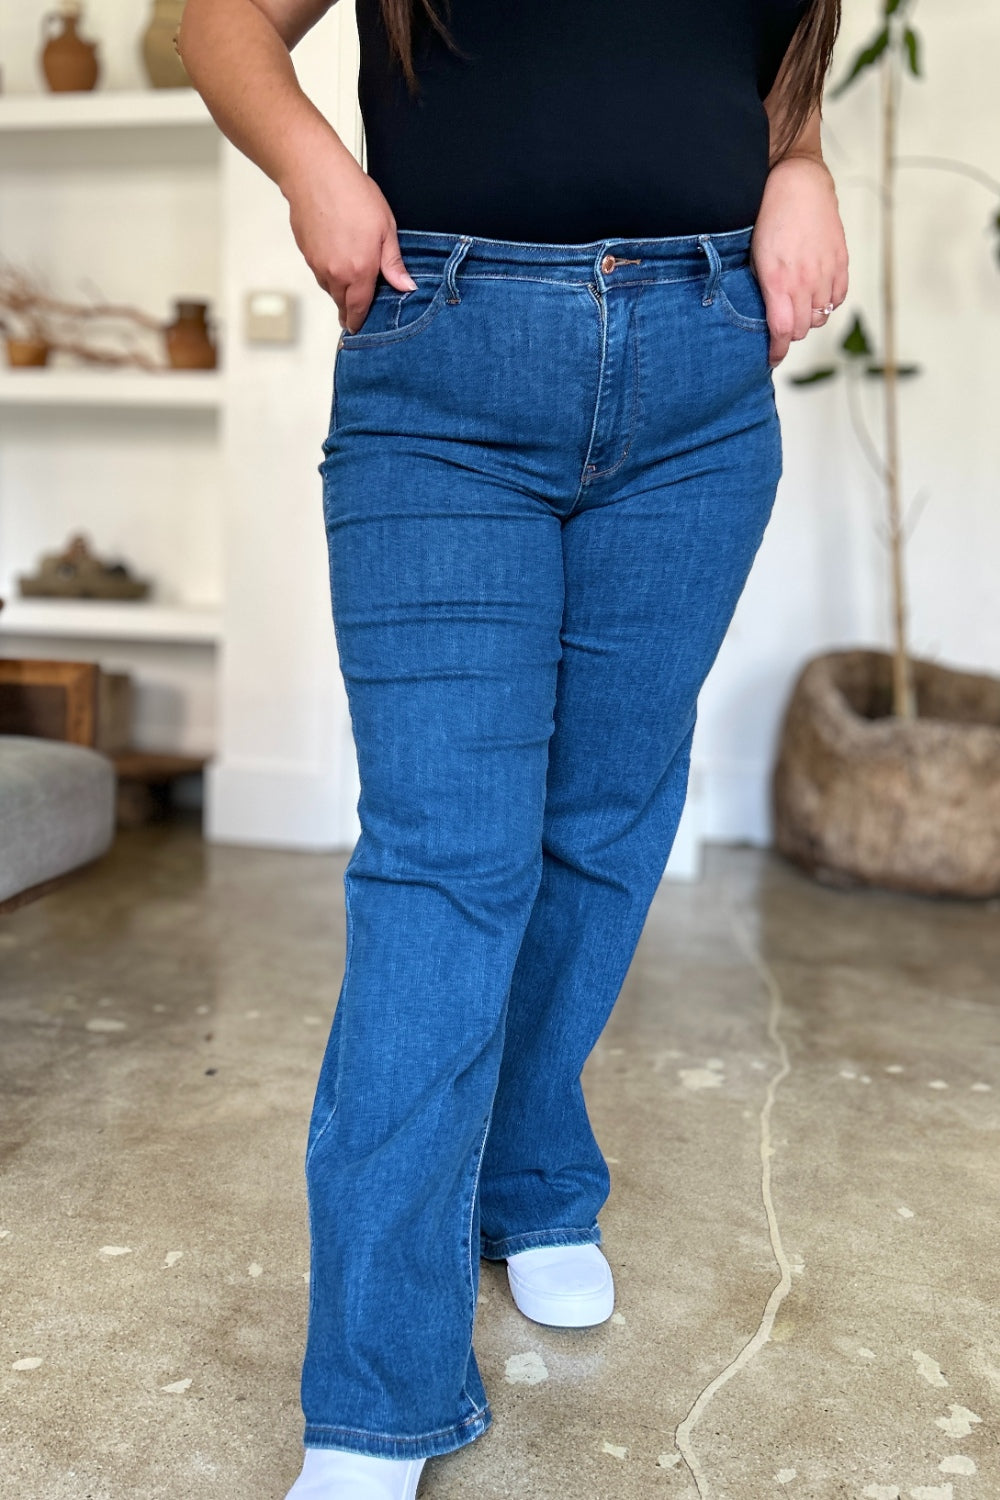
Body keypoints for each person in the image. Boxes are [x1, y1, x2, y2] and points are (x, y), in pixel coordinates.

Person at [177, 1, 849, 1495]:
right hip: (445, 365)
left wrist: (801, 162)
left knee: (604, 830)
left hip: (700, 375)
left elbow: (750, 64)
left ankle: (535, 1173)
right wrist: (309, 168)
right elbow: (219, 21)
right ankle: (373, 1393)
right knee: (444, 866)